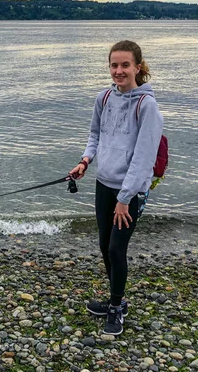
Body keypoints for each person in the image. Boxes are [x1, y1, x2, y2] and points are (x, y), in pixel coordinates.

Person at [69, 40, 163, 336]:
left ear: (138, 67)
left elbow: (144, 158)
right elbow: (95, 134)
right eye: (114, 65)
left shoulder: (146, 105)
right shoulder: (104, 98)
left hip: (130, 191)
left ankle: (117, 306)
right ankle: (116, 299)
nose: (119, 71)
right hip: (103, 183)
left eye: (125, 65)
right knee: (103, 246)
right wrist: (85, 161)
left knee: (116, 248)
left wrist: (125, 197)